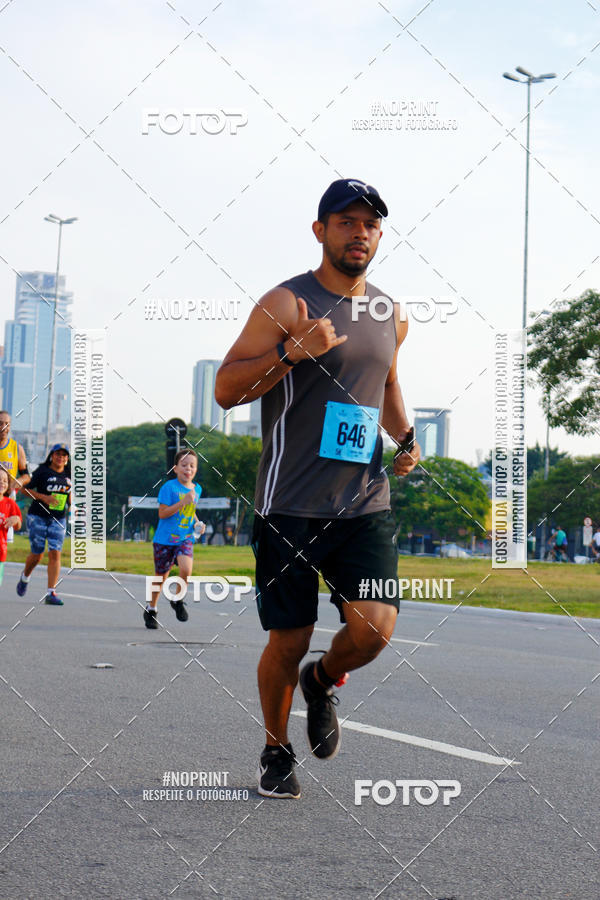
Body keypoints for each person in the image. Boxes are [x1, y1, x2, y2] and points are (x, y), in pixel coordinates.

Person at [215, 178, 420, 799]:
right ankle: (276, 750)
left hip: (364, 502)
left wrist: (405, 436)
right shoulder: (286, 303)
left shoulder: (391, 313)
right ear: (321, 230)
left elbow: (383, 384)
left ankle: (323, 680)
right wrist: (290, 351)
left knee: (376, 627)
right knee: (290, 637)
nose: (360, 233)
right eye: (347, 221)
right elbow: (226, 388)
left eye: (371, 224)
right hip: (290, 507)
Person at [144, 449, 205, 629]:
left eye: (192, 466)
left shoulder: (197, 489)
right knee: (161, 576)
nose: (188, 469)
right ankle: (151, 609)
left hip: (184, 538)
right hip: (164, 539)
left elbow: (190, 510)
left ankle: (178, 600)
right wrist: (182, 502)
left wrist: (197, 523)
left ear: (196, 469)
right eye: (184, 465)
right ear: (175, 468)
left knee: (186, 569)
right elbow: (162, 514)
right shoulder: (168, 488)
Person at [16, 443, 71, 605]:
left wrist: (72, 505)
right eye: (57, 455)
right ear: (51, 456)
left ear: (67, 459)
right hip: (38, 516)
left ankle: (51, 592)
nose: (60, 458)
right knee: (37, 554)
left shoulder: (69, 474)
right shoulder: (42, 472)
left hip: (58, 519)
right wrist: (43, 497)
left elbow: (69, 493)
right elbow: (24, 490)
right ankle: (25, 577)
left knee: (55, 553)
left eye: (64, 455)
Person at [0, 467, 22, 585]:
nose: (2, 483)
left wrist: (17, 519)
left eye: (4, 480)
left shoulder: (10, 504)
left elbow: (18, 526)